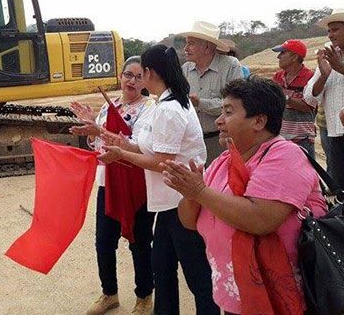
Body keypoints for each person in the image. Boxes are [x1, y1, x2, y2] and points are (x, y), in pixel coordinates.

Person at [161, 77, 327, 314]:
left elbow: (261, 219)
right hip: (236, 293)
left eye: (228, 112)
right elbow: (189, 221)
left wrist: (199, 191)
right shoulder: (223, 161)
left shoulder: (285, 156)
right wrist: (191, 194)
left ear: (259, 121)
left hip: (281, 294)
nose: (219, 121)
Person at [99, 45, 219, 315]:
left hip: (180, 201)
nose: (138, 79)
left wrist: (122, 154)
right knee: (162, 267)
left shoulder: (168, 109)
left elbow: (162, 162)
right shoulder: (165, 104)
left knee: (195, 272)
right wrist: (122, 144)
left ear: (150, 73)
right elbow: (148, 147)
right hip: (167, 202)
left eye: (141, 73)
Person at [70, 56, 155, 315]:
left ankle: (144, 297)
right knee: (103, 242)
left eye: (138, 76)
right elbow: (98, 146)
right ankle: (110, 293)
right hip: (107, 182)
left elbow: (138, 144)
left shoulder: (149, 108)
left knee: (139, 242)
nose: (131, 80)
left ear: (146, 81)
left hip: (135, 184)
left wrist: (98, 131)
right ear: (120, 76)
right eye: (127, 74)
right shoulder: (110, 106)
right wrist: (92, 129)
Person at [304, 8, 344, 192]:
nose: (330, 35)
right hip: (335, 137)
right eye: (329, 31)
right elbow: (309, 96)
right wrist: (324, 75)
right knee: (343, 193)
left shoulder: (336, 60)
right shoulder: (328, 57)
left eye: (335, 29)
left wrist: (340, 68)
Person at [180, 22, 244, 166]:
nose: (186, 48)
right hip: (191, 142)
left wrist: (200, 103)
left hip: (220, 141)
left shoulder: (230, 66)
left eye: (191, 44)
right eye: (186, 43)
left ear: (207, 47)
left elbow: (236, 106)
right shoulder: (185, 69)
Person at [271, 39, 317, 158]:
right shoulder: (278, 76)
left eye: (283, 53)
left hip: (302, 138)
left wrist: (282, 97)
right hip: (280, 137)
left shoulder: (310, 77)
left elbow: (307, 106)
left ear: (294, 57)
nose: (278, 57)